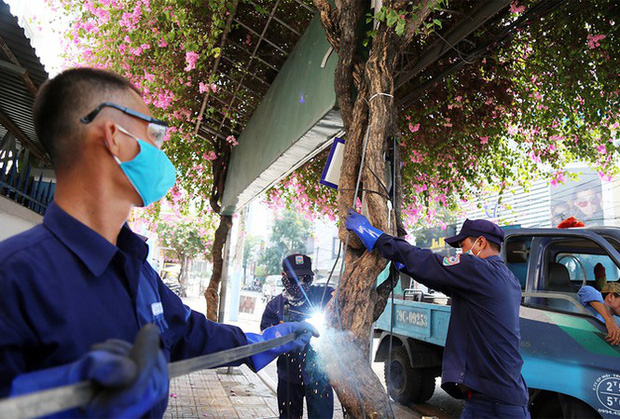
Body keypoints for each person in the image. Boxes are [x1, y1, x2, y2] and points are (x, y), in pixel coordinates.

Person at [0, 68, 317, 418]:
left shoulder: (137, 269)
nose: (159, 150)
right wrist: (73, 397)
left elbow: (189, 334)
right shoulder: (13, 277)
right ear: (114, 137)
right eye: (153, 133)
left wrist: (270, 340)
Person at [346, 211, 530, 419]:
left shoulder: (477, 268)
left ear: (480, 242)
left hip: (494, 406)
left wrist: (375, 236)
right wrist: (407, 265)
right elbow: (441, 279)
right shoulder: (508, 280)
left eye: (463, 245)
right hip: (499, 398)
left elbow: (428, 261)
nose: (461, 252)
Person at [261, 254, 334, 419]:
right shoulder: (274, 307)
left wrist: (340, 295)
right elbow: (266, 339)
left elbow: (342, 297)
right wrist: (281, 332)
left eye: (306, 278)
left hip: (319, 377)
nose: (301, 284)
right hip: (288, 377)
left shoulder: (323, 295)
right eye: (294, 280)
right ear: (283, 276)